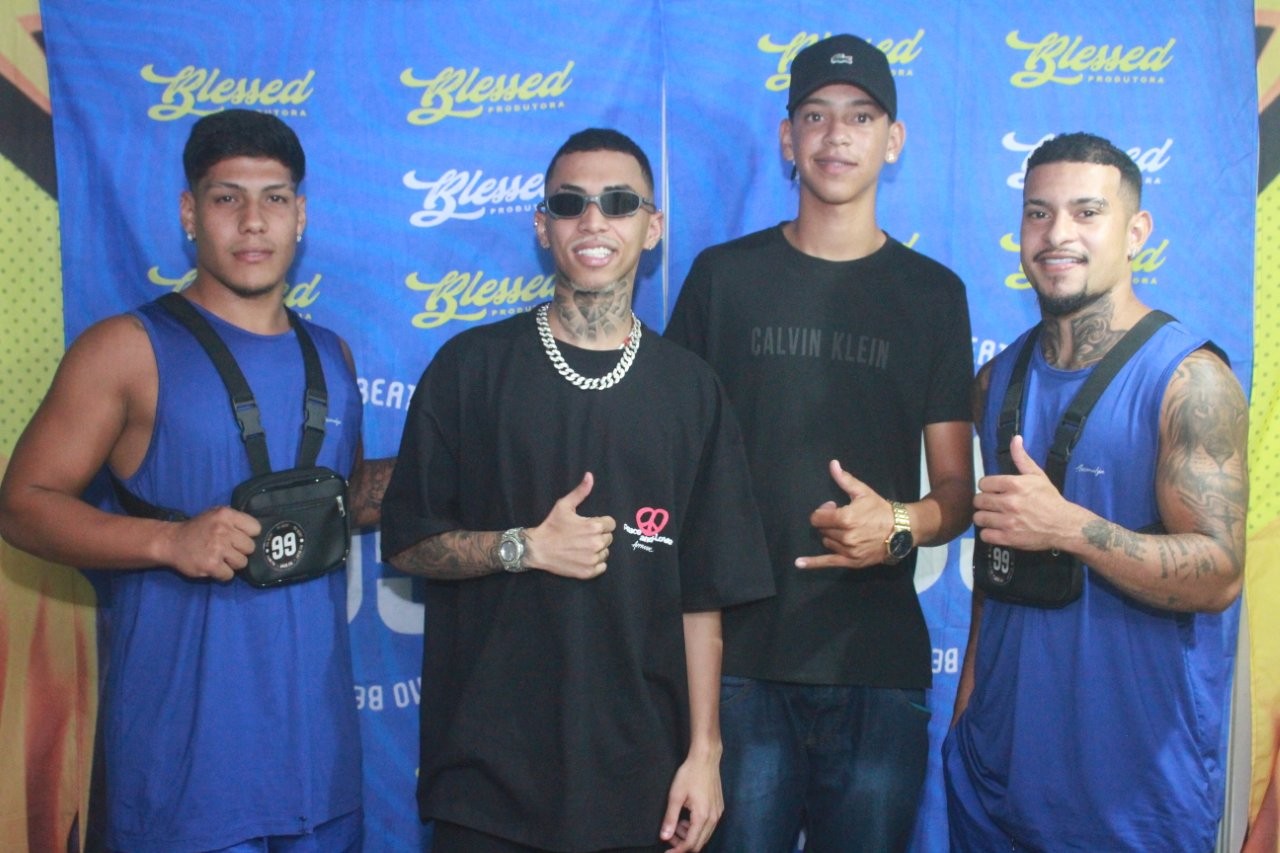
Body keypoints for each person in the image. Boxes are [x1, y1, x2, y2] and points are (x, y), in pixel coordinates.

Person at [0, 109, 387, 852]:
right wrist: (168, 540)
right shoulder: (126, 348)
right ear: (189, 212)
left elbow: (343, 499)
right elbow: (22, 504)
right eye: (226, 197)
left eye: (275, 198)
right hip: (185, 783)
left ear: (301, 215)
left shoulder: (332, 356)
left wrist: (487, 464)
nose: (253, 221)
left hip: (321, 776)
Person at [379, 127, 775, 853]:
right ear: (543, 225)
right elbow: (407, 542)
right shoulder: (469, 368)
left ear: (653, 227)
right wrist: (523, 547)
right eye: (571, 203)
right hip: (488, 785)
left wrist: (704, 753)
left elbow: (703, 596)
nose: (594, 220)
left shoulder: (692, 390)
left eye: (619, 203)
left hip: (643, 786)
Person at [664, 34, 975, 852]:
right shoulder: (721, 279)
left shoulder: (934, 295)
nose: (837, 135)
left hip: (877, 664)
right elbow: (671, 466)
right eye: (816, 115)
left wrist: (899, 522)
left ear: (893, 140)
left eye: (861, 117)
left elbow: (957, 494)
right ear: (787, 137)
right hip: (740, 664)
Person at [944, 132, 1248, 851]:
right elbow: (996, 563)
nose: (1058, 234)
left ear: (1136, 232)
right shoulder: (995, 381)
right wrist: (966, 722)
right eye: (1038, 213)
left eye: (1087, 212)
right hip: (995, 784)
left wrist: (1072, 528)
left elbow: (1220, 574)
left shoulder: (1190, 380)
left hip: (1135, 797)